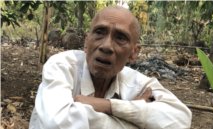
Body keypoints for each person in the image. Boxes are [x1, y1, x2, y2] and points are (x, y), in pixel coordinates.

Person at [29, 6, 192, 129]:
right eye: (99, 32)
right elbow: (57, 123)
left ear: (134, 53)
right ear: (86, 41)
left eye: (120, 38)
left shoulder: (137, 83)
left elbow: (181, 119)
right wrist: (132, 117)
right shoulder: (62, 66)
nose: (106, 46)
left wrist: (107, 105)